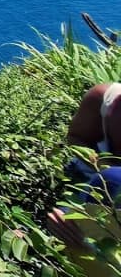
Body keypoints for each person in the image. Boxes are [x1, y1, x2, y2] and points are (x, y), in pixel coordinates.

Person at [47, 83, 121, 275]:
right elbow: (75, 138)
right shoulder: (105, 99)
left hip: (110, 186)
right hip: (94, 180)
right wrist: (103, 166)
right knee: (63, 227)